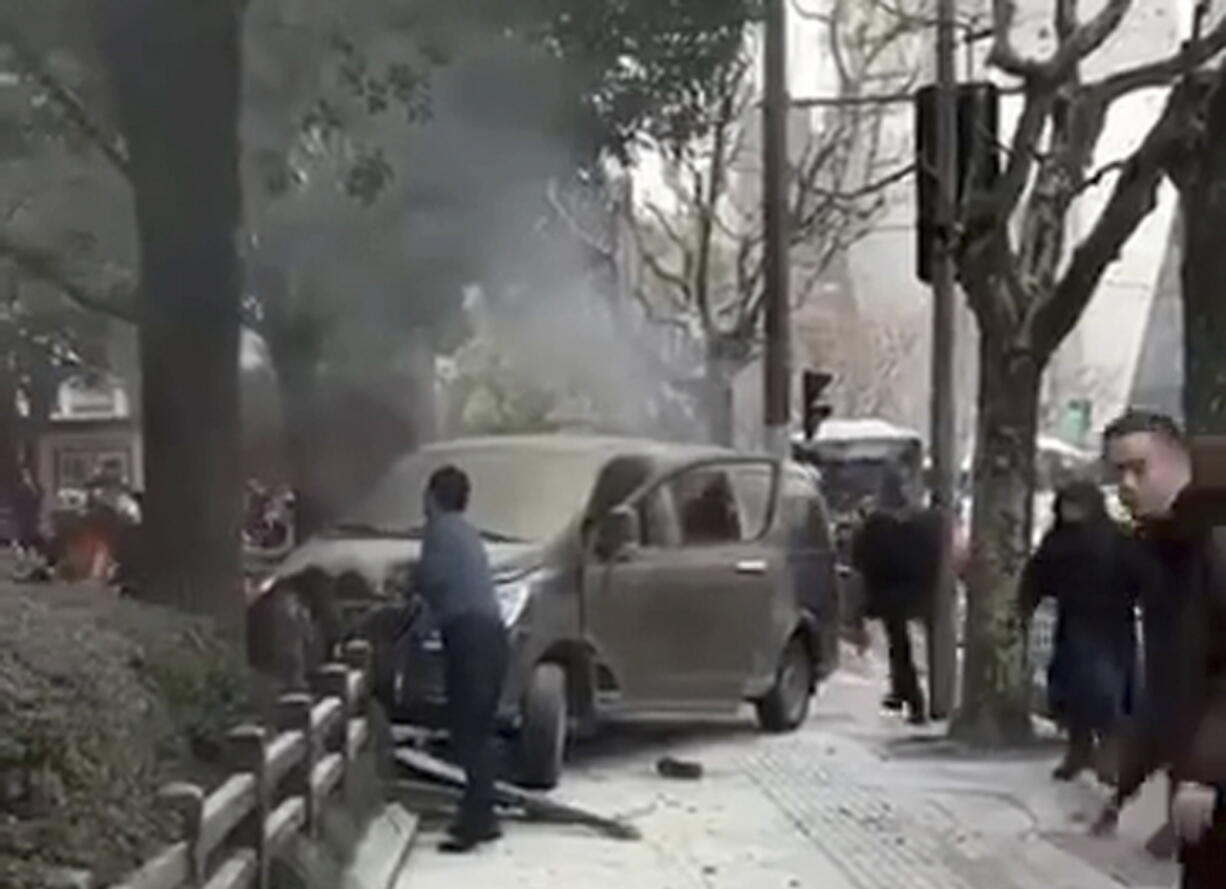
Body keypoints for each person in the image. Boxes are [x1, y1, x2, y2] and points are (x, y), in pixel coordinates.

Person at [1091, 410, 1226, 886]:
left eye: (1139, 468)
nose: (1126, 484)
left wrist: (1208, 769)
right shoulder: (1168, 546)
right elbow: (1170, 677)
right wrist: (1130, 782)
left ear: (1180, 463)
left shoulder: (1215, 539)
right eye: (1117, 472)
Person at [415, 465, 509, 852]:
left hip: (469, 639)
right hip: (491, 636)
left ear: (432, 497)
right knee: (478, 730)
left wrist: (412, 632)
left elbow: (431, 587)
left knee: (468, 732)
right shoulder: (469, 534)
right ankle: (483, 817)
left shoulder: (438, 532)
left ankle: (475, 824)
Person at [1019, 481, 1140, 782]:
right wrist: (1027, 606)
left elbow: (1138, 575)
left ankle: (1109, 755)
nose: (1072, 512)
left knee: (1107, 692)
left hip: (1112, 624)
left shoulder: (1115, 538)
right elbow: (1037, 574)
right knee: (1072, 692)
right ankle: (1079, 751)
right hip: (1073, 623)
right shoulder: (1058, 540)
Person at [851, 471, 941, 724]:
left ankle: (912, 699)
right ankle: (906, 694)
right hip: (920, 592)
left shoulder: (876, 524)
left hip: (891, 595)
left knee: (900, 648)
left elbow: (861, 559)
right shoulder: (925, 521)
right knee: (905, 648)